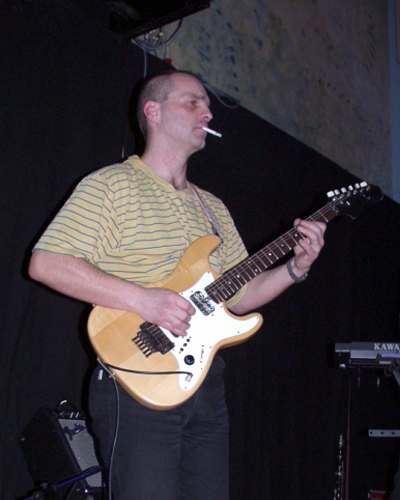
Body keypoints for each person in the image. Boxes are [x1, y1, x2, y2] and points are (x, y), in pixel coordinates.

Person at [28, 70, 326, 500]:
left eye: (207, 105)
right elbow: (46, 263)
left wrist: (294, 269)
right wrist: (143, 300)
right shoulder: (112, 185)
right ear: (153, 112)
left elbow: (241, 296)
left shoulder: (213, 208)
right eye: (192, 102)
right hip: (137, 379)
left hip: (205, 384)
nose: (207, 112)